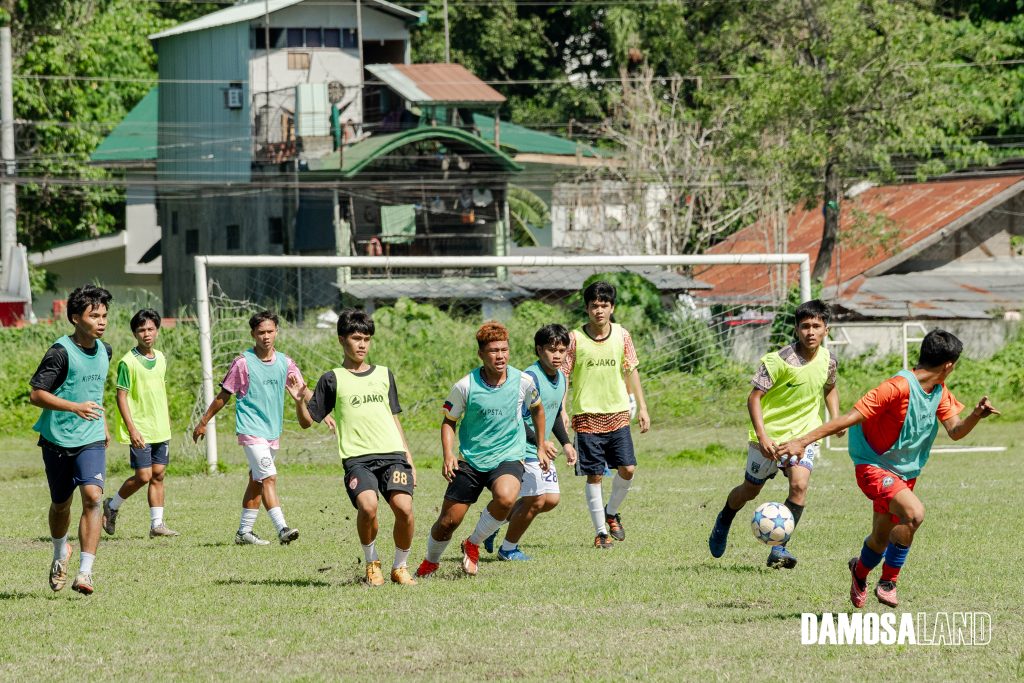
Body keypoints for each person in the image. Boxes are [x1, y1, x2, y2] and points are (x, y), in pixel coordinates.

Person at [776, 329, 999, 608]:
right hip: (873, 467)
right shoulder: (896, 387)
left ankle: (859, 572)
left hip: (905, 473)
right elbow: (848, 418)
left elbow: (955, 430)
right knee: (914, 514)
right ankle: (888, 581)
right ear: (949, 365)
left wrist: (976, 415)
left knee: (881, 539)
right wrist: (802, 441)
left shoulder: (939, 391)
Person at [708, 299, 841, 568]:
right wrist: (762, 436)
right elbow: (754, 398)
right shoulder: (778, 361)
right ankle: (725, 517)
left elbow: (830, 387)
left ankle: (779, 548)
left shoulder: (829, 361)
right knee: (750, 491)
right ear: (796, 329)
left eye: (816, 326)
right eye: (805, 326)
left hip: (803, 436)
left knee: (799, 486)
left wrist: (835, 419)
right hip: (769, 437)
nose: (811, 332)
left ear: (826, 330)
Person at [290, 309, 418, 586]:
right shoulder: (331, 379)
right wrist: (300, 400)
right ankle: (372, 563)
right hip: (358, 459)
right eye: (356, 338)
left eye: (366, 339)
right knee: (369, 507)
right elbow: (307, 422)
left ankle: (400, 566)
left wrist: (408, 455)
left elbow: (393, 416)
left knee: (404, 508)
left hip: (393, 455)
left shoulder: (384, 375)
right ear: (341, 340)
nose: (362, 344)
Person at [415, 321, 549, 577]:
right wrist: (448, 454)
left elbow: (538, 409)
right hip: (471, 459)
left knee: (507, 497)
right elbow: (448, 422)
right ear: (481, 354)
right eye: (493, 351)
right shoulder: (465, 386)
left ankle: (473, 543)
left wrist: (541, 445)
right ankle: (431, 561)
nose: (500, 356)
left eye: (504, 350)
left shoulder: (523, 381)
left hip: (509, 456)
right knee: (448, 522)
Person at [192, 311, 303, 546]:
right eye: (261, 332)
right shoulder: (243, 363)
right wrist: (204, 421)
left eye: (270, 332)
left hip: (272, 431)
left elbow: (303, 391)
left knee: (257, 480)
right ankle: (282, 528)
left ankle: (244, 532)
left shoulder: (286, 362)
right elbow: (225, 395)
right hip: (251, 430)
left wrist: (324, 415)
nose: (266, 337)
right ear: (253, 334)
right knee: (269, 477)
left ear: (277, 332)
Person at [30, 284, 113, 595]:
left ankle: (85, 572)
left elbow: (96, 393)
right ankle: (59, 552)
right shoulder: (60, 352)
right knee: (60, 505)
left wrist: (101, 422)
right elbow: (36, 394)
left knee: (93, 497)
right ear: (76, 318)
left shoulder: (105, 351)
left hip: (90, 437)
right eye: (95, 316)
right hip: (57, 439)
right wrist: (74, 407)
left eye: (105, 315)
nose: (102, 321)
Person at [562, 281, 650, 549]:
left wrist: (643, 407)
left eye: (604, 305)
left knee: (628, 468)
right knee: (595, 475)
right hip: (587, 415)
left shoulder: (622, 335)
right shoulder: (574, 338)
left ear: (612, 308)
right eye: (594, 306)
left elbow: (631, 369)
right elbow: (563, 375)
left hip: (618, 412)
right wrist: (562, 408)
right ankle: (601, 532)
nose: (599, 311)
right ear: (587, 308)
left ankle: (611, 512)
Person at [483, 324, 577, 560]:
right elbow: (515, 418)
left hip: (539, 447)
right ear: (539, 349)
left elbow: (552, 412)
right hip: (523, 447)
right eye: (551, 350)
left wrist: (565, 443)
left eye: (562, 350)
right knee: (536, 500)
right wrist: (540, 443)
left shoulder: (562, 378)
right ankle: (508, 549)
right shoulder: (529, 378)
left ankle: (491, 524)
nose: (557, 355)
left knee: (551, 500)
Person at [103, 309, 178, 538]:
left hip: (160, 428)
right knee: (143, 476)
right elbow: (121, 397)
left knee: (158, 475)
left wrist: (166, 419)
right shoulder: (128, 362)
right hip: (140, 429)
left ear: (157, 330)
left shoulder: (161, 358)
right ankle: (112, 506)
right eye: (141, 330)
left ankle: (157, 525)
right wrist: (132, 428)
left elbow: (159, 391)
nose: (146, 333)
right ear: (135, 333)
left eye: (150, 329)